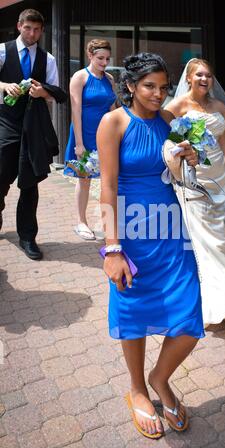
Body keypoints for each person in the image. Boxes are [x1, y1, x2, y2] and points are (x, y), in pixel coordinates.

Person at [97, 53, 205, 439]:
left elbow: (181, 170)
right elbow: (106, 186)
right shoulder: (113, 123)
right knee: (133, 312)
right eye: (149, 86)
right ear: (130, 86)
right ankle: (137, 388)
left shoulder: (170, 121)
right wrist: (112, 250)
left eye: (163, 87)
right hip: (131, 232)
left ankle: (161, 379)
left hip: (172, 229)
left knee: (190, 314)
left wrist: (190, 157)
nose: (158, 94)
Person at [166, 59, 225, 328]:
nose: (205, 79)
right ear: (190, 78)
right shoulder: (176, 106)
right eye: (200, 75)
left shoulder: (219, 107)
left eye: (209, 75)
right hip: (194, 176)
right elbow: (168, 143)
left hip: (218, 175)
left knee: (224, 230)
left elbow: (222, 141)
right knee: (210, 238)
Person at [0, 9, 60, 260]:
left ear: (42, 31)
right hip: (5, 123)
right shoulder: (2, 51)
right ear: (19, 26)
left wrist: (42, 92)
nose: (32, 34)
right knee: (1, 177)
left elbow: (56, 93)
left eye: (36, 30)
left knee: (30, 183)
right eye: (28, 29)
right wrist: (3, 85)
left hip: (33, 127)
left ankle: (28, 237)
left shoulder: (48, 59)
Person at [64, 39, 116, 240]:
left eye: (107, 59)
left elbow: (112, 108)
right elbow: (75, 111)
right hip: (84, 134)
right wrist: (79, 143)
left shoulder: (110, 79)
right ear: (90, 55)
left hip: (105, 135)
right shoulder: (79, 77)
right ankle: (81, 222)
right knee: (84, 179)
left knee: (109, 179)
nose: (104, 63)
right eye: (100, 58)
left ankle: (108, 224)